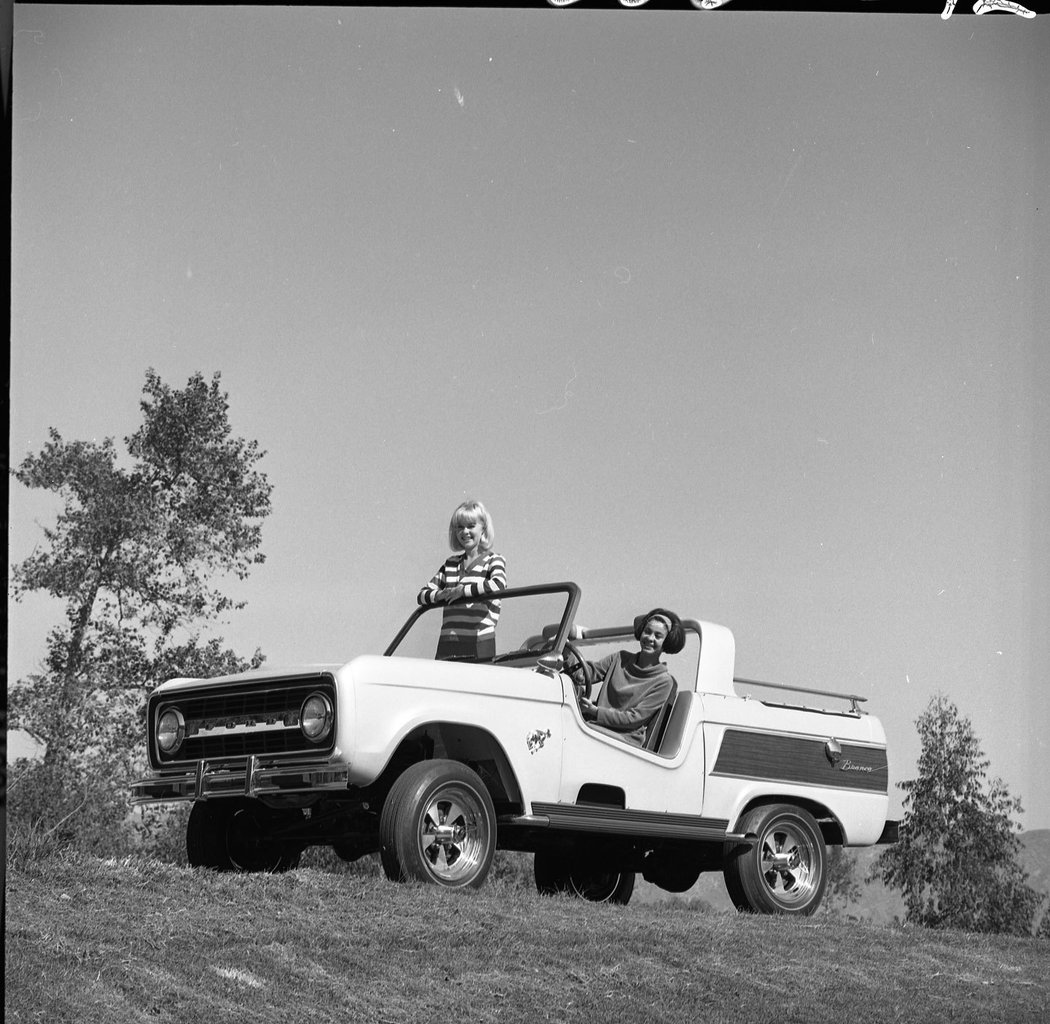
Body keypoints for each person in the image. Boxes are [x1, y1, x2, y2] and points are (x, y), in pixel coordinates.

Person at [575, 608, 684, 748]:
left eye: (658, 636)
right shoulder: (619, 658)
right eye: (647, 631)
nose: (650, 638)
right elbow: (584, 675)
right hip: (596, 728)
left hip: (625, 742)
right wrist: (566, 653)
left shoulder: (664, 682)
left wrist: (595, 712)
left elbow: (633, 718)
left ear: (666, 642)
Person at [417, 500, 507, 661]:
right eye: (460, 527)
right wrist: (440, 595)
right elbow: (423, 595)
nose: (465, 532)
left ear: (483, 529)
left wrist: (462, 591)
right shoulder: (450, 564)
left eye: (471, 526)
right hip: (448, 643)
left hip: (479, 643)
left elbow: (498, 584)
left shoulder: (494, 560)